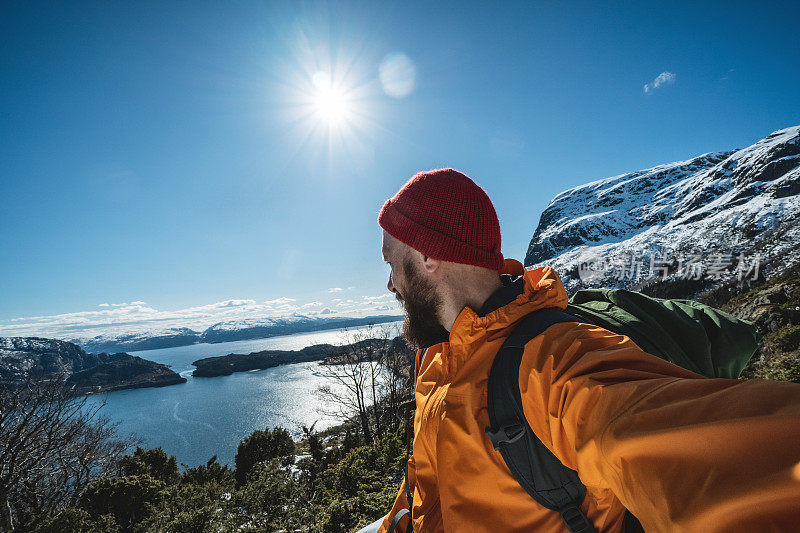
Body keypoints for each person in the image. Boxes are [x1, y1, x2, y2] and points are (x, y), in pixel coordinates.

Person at [374, 168, 800, 532]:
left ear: (428, 254)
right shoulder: (440, 364)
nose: (391, 284)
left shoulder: (557, 363)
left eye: (391, 263)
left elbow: (734, 475)